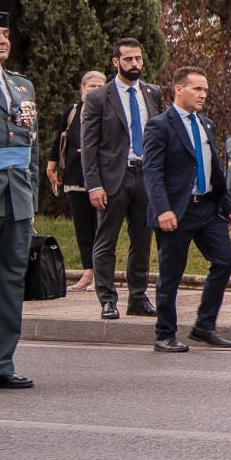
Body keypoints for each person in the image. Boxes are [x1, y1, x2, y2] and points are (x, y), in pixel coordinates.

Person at [143, 68, 231, 352]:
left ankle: (204, 326)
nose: (203, 95)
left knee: (225, 261)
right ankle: (165, 334)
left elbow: (214, 168)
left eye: (205, 90)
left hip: (207, 208)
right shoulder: (160, 125)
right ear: (178, 89)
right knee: (171, 273)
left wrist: (227, 205)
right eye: (197, 89)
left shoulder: (207, 124)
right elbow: (152, 171)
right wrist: (162, 209)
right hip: (175, 211)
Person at [79, 39, 163, 320]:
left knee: (142, 240)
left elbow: (159, 136)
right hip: (113, 178)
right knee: (106, 240)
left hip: (145, 176)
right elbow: (89, 145)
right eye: (128, 59)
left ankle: (138, 297)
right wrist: (94, 184)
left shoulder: (152, 93)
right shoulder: (99, 97)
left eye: (138, 58)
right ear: (116, 62)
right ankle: (108, 299)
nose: (135, 64)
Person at [0, 8, 38, 393]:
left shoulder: (22, 87)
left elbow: (30, 145)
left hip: (17, 196)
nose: (2, 40)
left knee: (10, 281)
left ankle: (2, 361)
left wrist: (31, 197)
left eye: (5, 34)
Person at [45, 71, 106, 291]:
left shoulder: (108, 112)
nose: (96, 90)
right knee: (83, 228)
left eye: (100, 86)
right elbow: (60, 138)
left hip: (100, 180)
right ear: (82, 88)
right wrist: (51, 166)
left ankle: (101, 273)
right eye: (91, 86)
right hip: (73, 176)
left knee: (102, 228)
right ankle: (87, 272)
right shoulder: (72, 111)